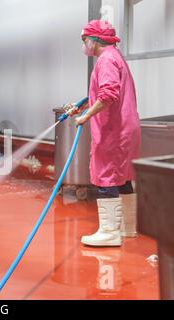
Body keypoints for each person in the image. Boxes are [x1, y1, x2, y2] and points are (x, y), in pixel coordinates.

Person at [67, 20, 141, 247]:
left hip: (112, 131)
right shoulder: (114, 56)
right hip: (125, 128)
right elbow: (104, 90)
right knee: (123, 177)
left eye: (84, 40)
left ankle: (109, 233)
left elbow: (108, 95)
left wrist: (86, 116)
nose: (84, 45)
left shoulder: (106, 59)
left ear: (95, 39)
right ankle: (127, 228)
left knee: (107, 176)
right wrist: (82, 105)